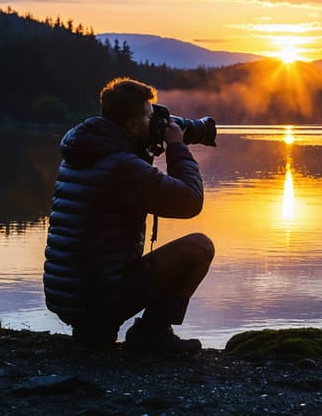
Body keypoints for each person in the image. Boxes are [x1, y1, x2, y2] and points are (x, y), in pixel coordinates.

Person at [44, 77, 214, 352]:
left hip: (68, 293)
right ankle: (151, 332)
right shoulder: (121, 165)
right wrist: (177, 146)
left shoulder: (84, 151)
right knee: (199, 247)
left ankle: (94, 332)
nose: (156, 121)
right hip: (97, 297)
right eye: (150, 116)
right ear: (132, 125)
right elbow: (190, 202)